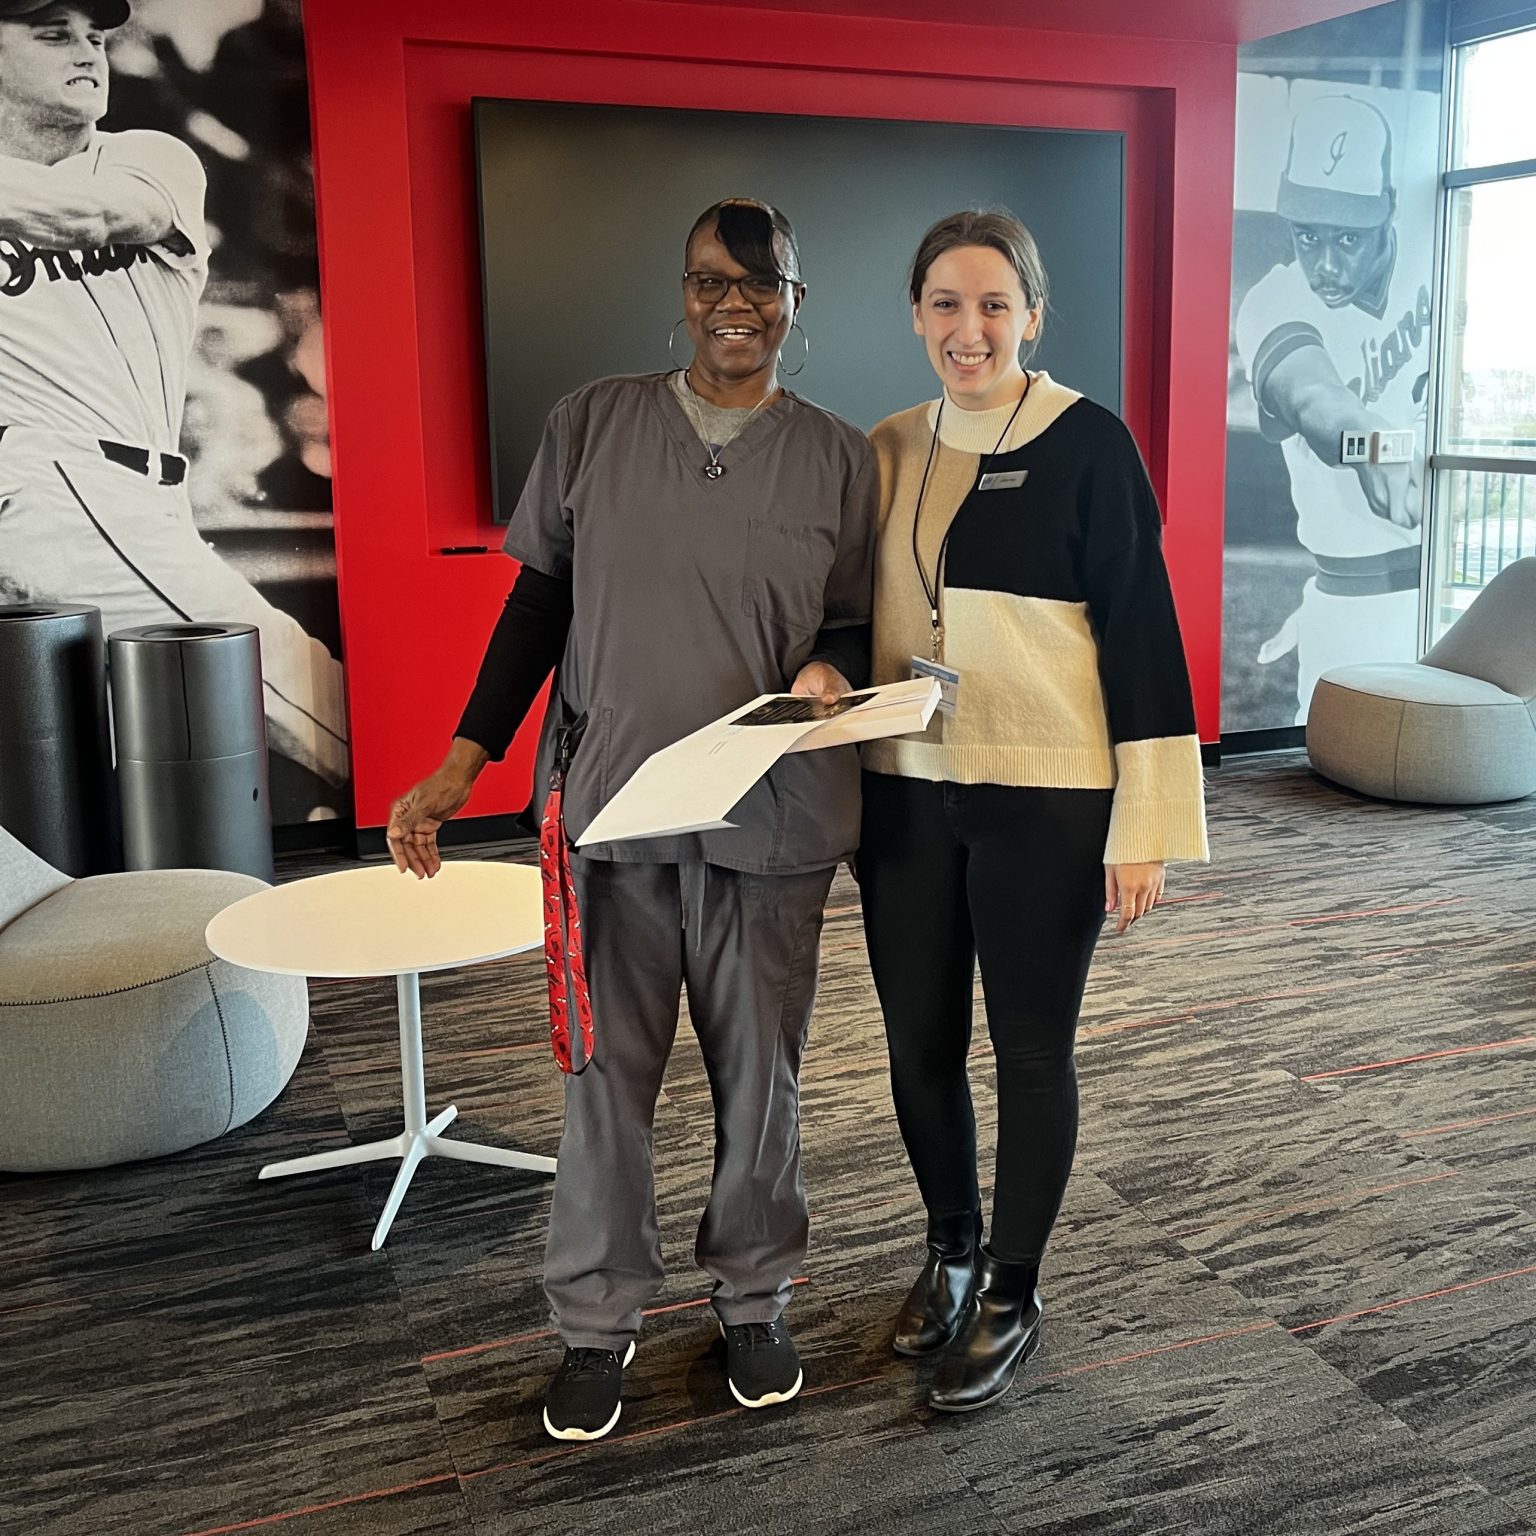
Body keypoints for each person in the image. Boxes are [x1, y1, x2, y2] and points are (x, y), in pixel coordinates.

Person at [385, 199, 877, 1444]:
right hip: (613, 815)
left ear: (795, 303)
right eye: (713, 280)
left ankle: (754, 1300)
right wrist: (461, 763)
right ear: (684, 290)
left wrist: (831, 664)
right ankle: (596, 1323)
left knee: (761, 1080)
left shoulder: (837, 456)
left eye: (761, 285)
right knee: (605, 1081)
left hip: (770, 825)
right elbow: (535, 608)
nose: (735, 304)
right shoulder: (592, 423)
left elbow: (856, 620)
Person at [858, 209, 1208, 1413]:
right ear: (916, 315)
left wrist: (1146, 825)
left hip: (1049, 797)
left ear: (1032, 318)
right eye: (947, 304)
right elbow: (851, 614)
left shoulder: (1089, 442)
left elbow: (1143, 636)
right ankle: (951, 1251)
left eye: (994, 305)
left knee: (1029, 1052)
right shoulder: (886, 449)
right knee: (917, 1047)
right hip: (905, 791)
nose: (970, 329)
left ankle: (1012, 1291)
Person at [0, 0, 348, 786]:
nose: (87, 51)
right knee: (298, 687)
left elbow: (99, 215)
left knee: (106, 775)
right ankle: (448, 820)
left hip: (136, 495)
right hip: (52, 485)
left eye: (95, 36)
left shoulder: (148, 157)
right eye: (53, 34)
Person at [1235, 92, 1430, 724]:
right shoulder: (1272, 301)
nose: (1324, 263)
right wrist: (1373, 441)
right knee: (1332, 771)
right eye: (1307, 235)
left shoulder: (1439, 259)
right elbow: (1313, 396)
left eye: (1348, 237)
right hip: (1352, 606)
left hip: (1456, 588)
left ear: (1388, 209)